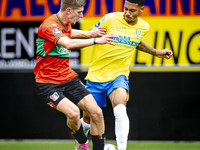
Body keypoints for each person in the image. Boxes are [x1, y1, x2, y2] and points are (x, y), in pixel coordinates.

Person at [79, 0, 173, 150]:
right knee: (87, 119)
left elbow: (136, 42)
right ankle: (80, 136)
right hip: (97, 74)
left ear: (141, 10)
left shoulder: (144, 27)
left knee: (120, 109)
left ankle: (122, 148)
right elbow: (88, 34)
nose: (127, 13)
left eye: (132, 11)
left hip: (119, 74)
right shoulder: (109, 18)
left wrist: (156, 52)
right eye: (125, 9)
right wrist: (63, 39)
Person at [33, 0, 119, 150]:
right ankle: (83, 144)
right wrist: (96, 40)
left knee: (97, 113)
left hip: (68, 77)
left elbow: (69, 32)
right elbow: (69, 43)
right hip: (47, 83)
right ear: (68, 11)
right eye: (79, 12)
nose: (81, 16)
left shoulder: (65, 23)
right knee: (74, 113)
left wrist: (89, 33)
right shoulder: (49, 25)